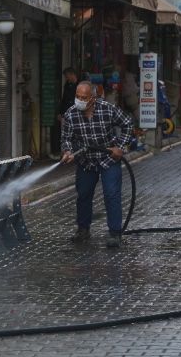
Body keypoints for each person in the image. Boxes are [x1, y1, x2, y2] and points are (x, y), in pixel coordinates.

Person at [60, 81, 133, 248]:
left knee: (111, 194)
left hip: (109, 158)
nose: (79, 100)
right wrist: (67, 152)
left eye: (83, 97)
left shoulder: (107, 109)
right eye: (77, 97)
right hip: (86, 160)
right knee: (83, 194)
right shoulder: (71, 114)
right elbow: (66, 139)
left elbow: (127, 124)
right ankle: (83, 230)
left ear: (93, 98)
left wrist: (120, 147)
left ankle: (115, 233)